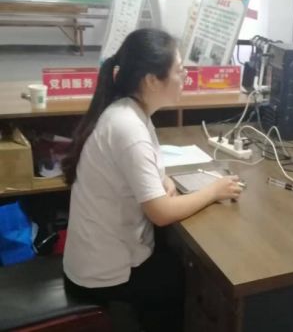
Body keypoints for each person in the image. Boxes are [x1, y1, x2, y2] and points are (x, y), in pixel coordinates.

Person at [61, 29, 242, 332]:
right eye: (179, 70)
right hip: (101, 275)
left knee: (174, 257)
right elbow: (160, 213)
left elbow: (145, 170)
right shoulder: (128, 127)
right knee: (181, 277)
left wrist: (164, 180)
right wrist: (214, 190)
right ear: (151, 80)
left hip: (97, 258)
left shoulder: (129, 111)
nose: (185, 76)